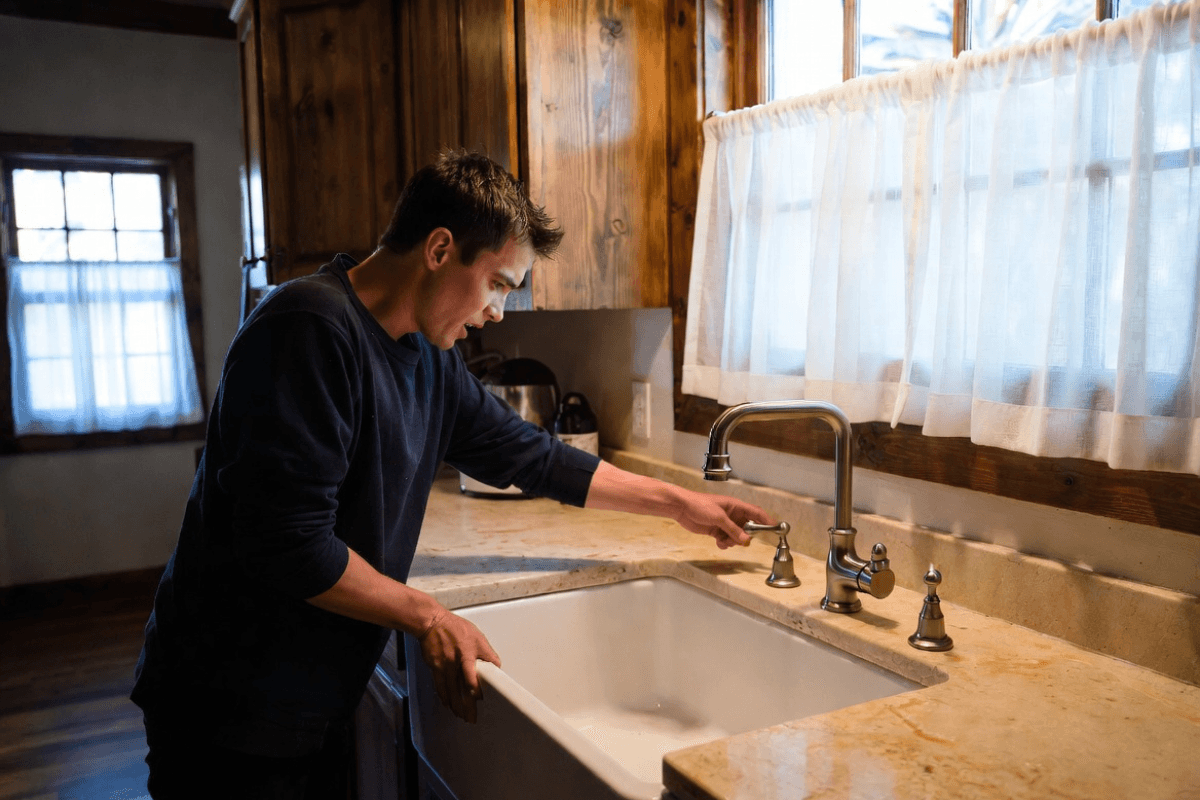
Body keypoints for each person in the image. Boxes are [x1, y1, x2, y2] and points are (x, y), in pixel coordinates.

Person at [132, 150, 773, 798]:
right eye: (498, 283)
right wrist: (429, 615)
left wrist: (678, 504)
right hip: (228, 704)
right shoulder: (309, 327)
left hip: (311, 695)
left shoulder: (427, 355)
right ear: (440, 249)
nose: (498, 311)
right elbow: (287, 544)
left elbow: (527, 454)